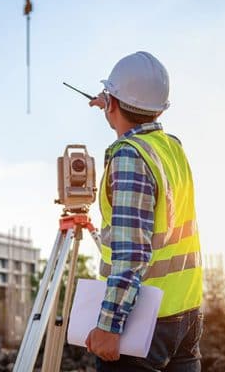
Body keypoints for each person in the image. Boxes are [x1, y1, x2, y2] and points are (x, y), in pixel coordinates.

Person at [84, 51, 203, 371]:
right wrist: (112, 105)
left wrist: (109, 326)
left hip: (144, 323)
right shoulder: (171, 147)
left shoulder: (129, 157)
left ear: (112, 102)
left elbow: (132, 253)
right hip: (186, 314)